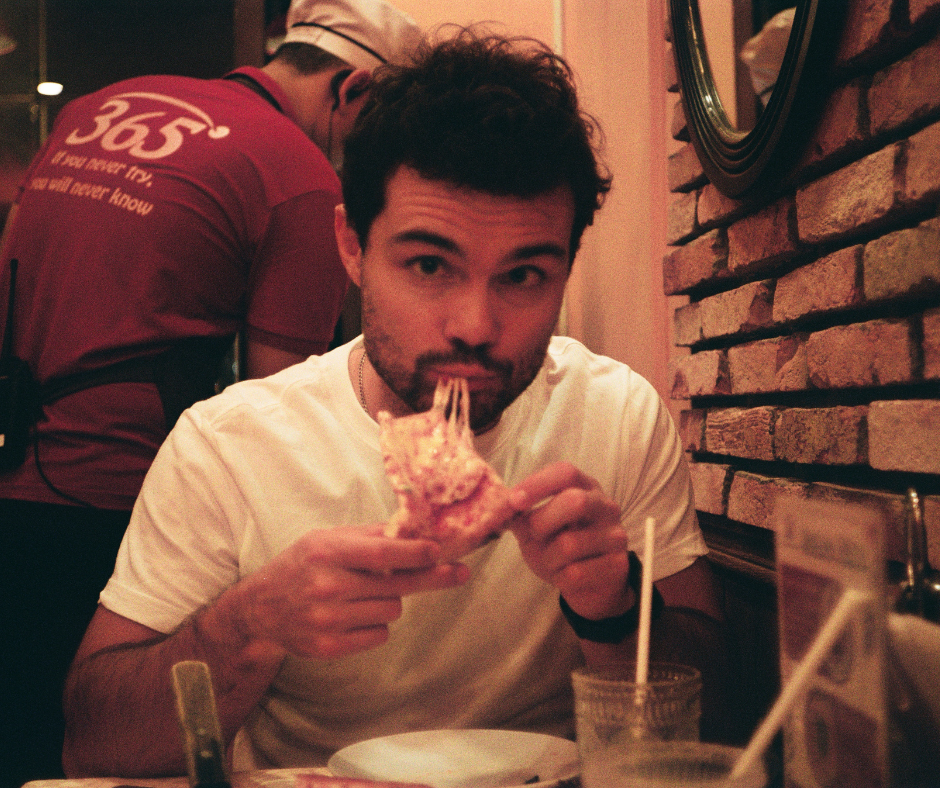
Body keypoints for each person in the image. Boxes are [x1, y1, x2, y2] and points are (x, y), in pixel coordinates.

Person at [63, 30, 733, 778]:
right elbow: (93, 745)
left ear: (566, 268)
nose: (474, 326)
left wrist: (615, 606)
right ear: (352, 247)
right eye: (428, 264)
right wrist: (248, 625)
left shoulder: (617, 415)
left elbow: (719, 717)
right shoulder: (229, 444)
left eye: (523, 276)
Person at [0, 1, 421, 785]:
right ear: (354, 90)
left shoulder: (96, 108)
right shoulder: (298, 176)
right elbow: (284, 412)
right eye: (386, 128)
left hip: (10, 465)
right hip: (114, 507)